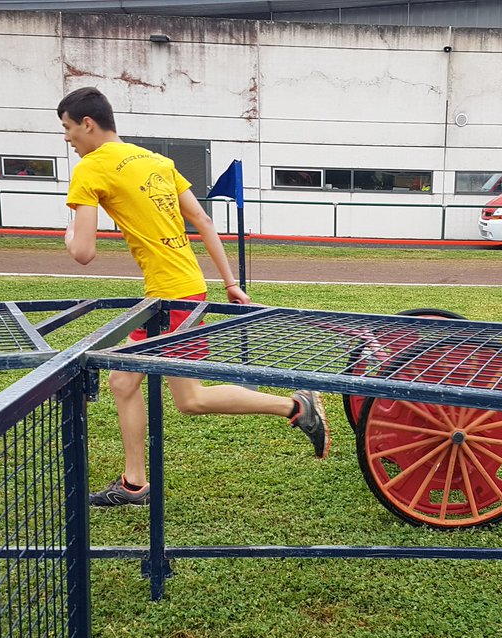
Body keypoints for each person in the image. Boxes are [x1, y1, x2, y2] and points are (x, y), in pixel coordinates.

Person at [56, 87, 331, 507]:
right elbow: (201, 217)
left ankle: (297, 405)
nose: (67, 139)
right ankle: (134, 483)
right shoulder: (155, 160)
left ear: (87, 124)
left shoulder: (91, 169)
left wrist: (70, 231)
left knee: (189, 398)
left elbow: (84, 253)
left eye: (67, 129)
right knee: (128, 382)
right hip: (185, 287)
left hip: (171, 295)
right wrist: (231, 281)